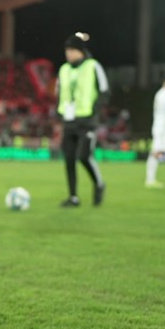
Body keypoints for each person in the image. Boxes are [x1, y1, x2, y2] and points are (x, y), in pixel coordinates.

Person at [56, 33, 108, 207]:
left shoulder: (93, 66)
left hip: (87, 121)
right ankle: (73, 197)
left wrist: (94, 111)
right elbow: (59, 92)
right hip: (69, 121)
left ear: (81, 51)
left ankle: (99, 183)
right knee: (69, 158)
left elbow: (105, 91)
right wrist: (60, 112)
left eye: (72, 50)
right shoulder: (63, 69)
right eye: (67, 50)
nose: (68, 54)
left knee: (84, 156)